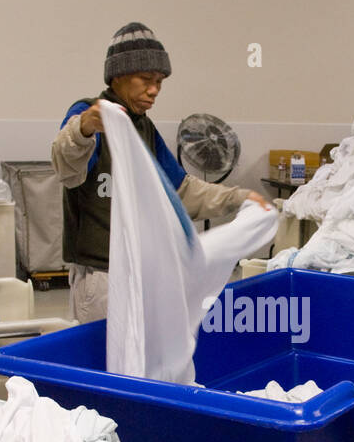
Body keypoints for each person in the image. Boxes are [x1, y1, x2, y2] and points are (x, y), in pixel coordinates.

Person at [51, 22, 271, 323]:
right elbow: (68, 170)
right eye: (145, 79)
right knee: (105, 364)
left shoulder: (144, 128)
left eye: (160, 82)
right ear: (118, 76)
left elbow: (181, 191)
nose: (154, 90)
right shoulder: (91, 114)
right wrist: (83, 128)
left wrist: (240, 197)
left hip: (143, 272)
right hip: (101, 276)